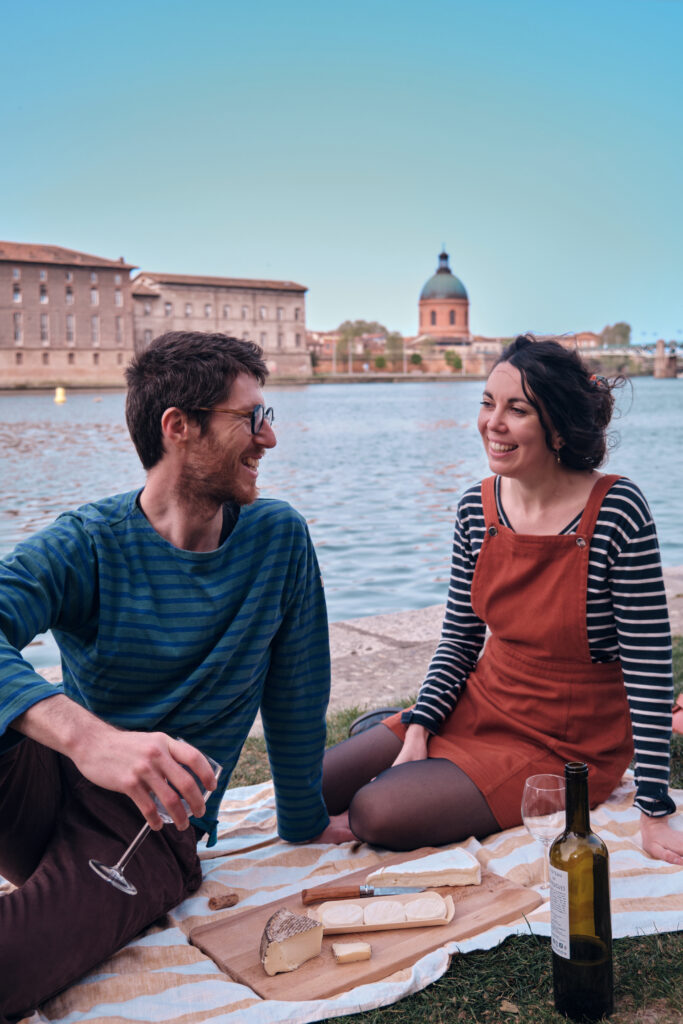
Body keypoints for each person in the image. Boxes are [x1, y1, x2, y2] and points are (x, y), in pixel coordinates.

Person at [0, 331, 352, 1023]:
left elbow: (296, 691)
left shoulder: (277, 538)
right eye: (249, 418)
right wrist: (83, 737)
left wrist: (305, 820)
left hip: (146, 828)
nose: (269, 438)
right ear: (178, 428)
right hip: (43, 785)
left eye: (267, 415)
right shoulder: (89, 541)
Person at [323, 335, 683, 866]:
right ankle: (406, 732)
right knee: (309, 786)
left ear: (557, 426)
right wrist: (420, 727)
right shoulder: (476, 507)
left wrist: (654, 808)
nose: (493, 422)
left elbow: (649, 664)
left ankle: (418, 771)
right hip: (482, 699)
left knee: (373, 814)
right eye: (488, 403)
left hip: (566, 740)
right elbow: (459, 640)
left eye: (517, 409)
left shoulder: (617, 509)